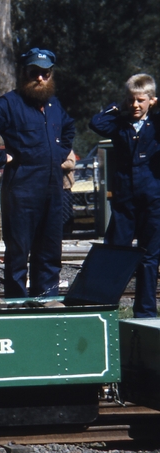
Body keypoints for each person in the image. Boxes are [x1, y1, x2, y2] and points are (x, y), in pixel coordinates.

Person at [0, 47, 75, 298]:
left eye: (45, 73)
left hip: (52, 189)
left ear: (51, 74)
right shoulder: (9, 103)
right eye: (34, 72)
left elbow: (69, 128)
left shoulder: (54, 104)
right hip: (22, 190)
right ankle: (17, 306)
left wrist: (59, 154)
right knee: (18, 253)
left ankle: (47, 303)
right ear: (24, 73)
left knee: (49, 251)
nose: (40, 78)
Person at [89, 73, 160, 318]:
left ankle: (146, 314)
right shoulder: (119, 124)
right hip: (124, 201)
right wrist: (115, 108)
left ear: (152, 100)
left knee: (149, 258)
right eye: (130, 100)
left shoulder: (156, 125)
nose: (135, 105)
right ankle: (104, 308)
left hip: (153, 200)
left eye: (141, 100)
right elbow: (95, 123)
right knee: (115, 253)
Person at [61, 150, 77, 238]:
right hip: (52, 187)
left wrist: (56, 164)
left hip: (65, 187)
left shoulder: (67, 150)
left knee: (66, 212)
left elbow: (71, 163)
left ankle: (67, 233)